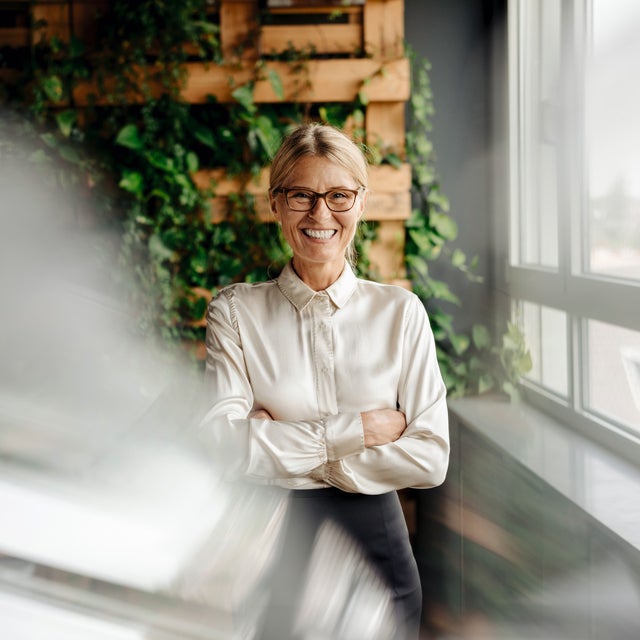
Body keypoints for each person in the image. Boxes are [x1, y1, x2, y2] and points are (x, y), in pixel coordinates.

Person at [197, 123, 449, 639]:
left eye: (338, 195)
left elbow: (430, 458)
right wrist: (358, 430)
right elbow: (222, 446)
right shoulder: (236, 311)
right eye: (301, 196)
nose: (319, 214)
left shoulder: (401, 313)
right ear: (276, 204)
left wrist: (273, 445)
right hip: (268, 548)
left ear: (360, 202)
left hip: (378, 552)